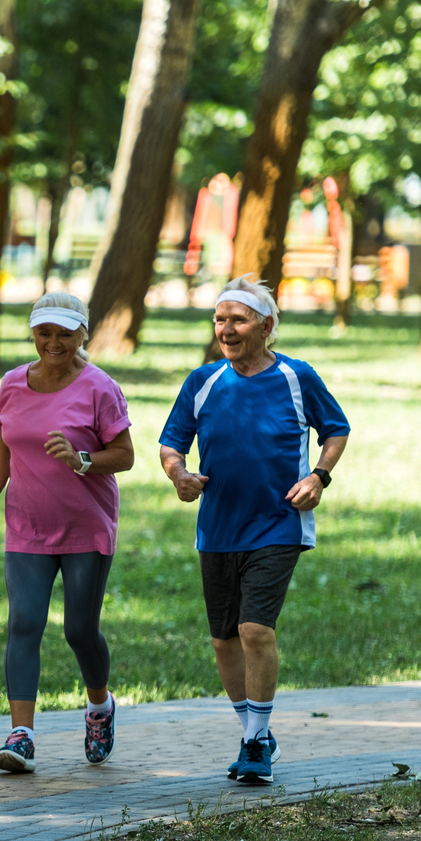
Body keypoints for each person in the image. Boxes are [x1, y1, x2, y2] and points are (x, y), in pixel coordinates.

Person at [157, 275, 350, 785]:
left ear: (266, 325)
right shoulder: (202, 381)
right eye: (220, 320)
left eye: (237, 320)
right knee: (223, 642)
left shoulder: (296, 376)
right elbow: (172, 443)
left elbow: (336, 429)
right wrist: (179, 475)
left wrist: (319, 477)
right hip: (218, 526)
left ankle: (254, 743)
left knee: (254, 630)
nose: (226, 329)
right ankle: (257, 736)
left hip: (278, 521)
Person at [0, 293, 135, 773]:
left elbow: (124, 456)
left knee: (80, 631)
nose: (53, 343)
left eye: (65, 334)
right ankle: (21, 735)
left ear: (83, 333)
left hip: (86, 524)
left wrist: (82, 459)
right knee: (24, 622)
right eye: (44, 333)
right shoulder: (13, 383)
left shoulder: (100, 388)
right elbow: (6, 436)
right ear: (33, 333)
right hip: (27, 525)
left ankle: (100, 706)